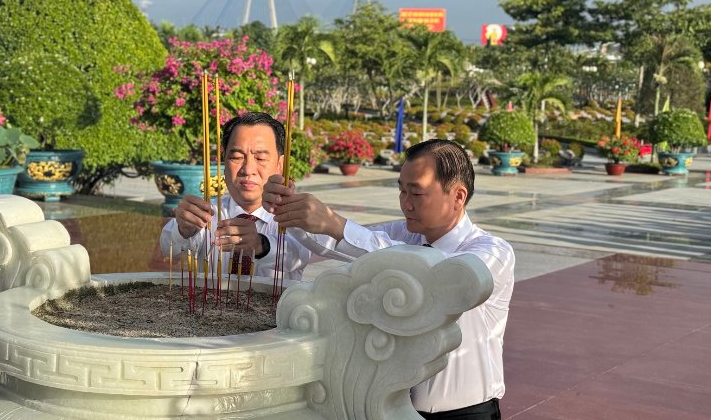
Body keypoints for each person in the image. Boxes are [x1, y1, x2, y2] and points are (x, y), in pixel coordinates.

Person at [263, 139, 515, 419]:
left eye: (417, 193)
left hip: (467, 413)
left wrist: (336, 223)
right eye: (401, 190)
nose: (405, 203)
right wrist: (293, 210)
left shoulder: (493, 251)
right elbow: (338, 242)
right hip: (394, 407)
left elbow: (443, 278)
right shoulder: (405, 234)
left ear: (457, 196)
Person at [161, 112, 317, 280]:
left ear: (280, 165)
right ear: (224, 162)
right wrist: (183, 228)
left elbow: (297, 256)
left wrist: (260, 245)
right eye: (236, 157)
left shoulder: (292, 216)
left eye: (261, 158)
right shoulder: (207, 212)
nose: (248, 169)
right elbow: (168, 247)